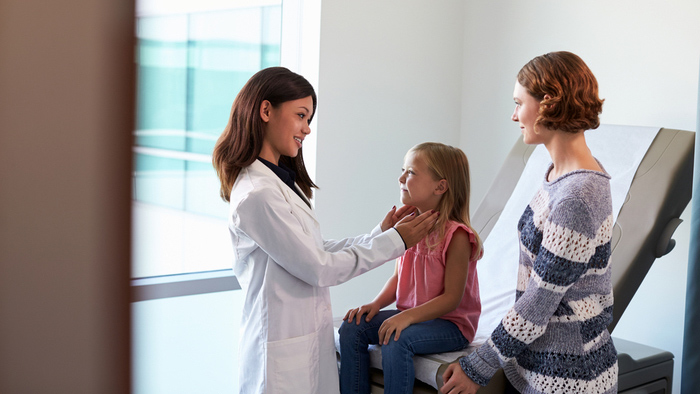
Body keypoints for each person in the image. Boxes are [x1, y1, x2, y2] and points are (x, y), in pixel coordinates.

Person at [211, 66, 439, 394]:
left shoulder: (277, 182)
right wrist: (397, 241)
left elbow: (316, 249)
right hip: (279, 352)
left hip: (303, 343)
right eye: (301, 116)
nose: (306, 129)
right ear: (265, 110)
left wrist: (381, 232)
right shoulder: (257, 194)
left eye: (309, 120)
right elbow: (318, 268)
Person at [440, 51, 617, 394]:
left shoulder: (576, 197)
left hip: (569, 378)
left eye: (519, 103)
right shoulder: (557, 175)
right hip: (540, 366)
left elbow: (539, 301)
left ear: (548, 104)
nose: (513, 115)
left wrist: (476, 367)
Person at [339, 142, 484, 394]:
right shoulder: (410, 227)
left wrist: (404, 317)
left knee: (397, 339)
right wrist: (375, 305)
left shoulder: (457, 235)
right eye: (403, 170)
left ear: (440, 186)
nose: (401, 177)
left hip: (451, 325)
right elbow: (398, 277)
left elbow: (452, 299)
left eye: (411, 172)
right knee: (353, 328)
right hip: (415, 317)